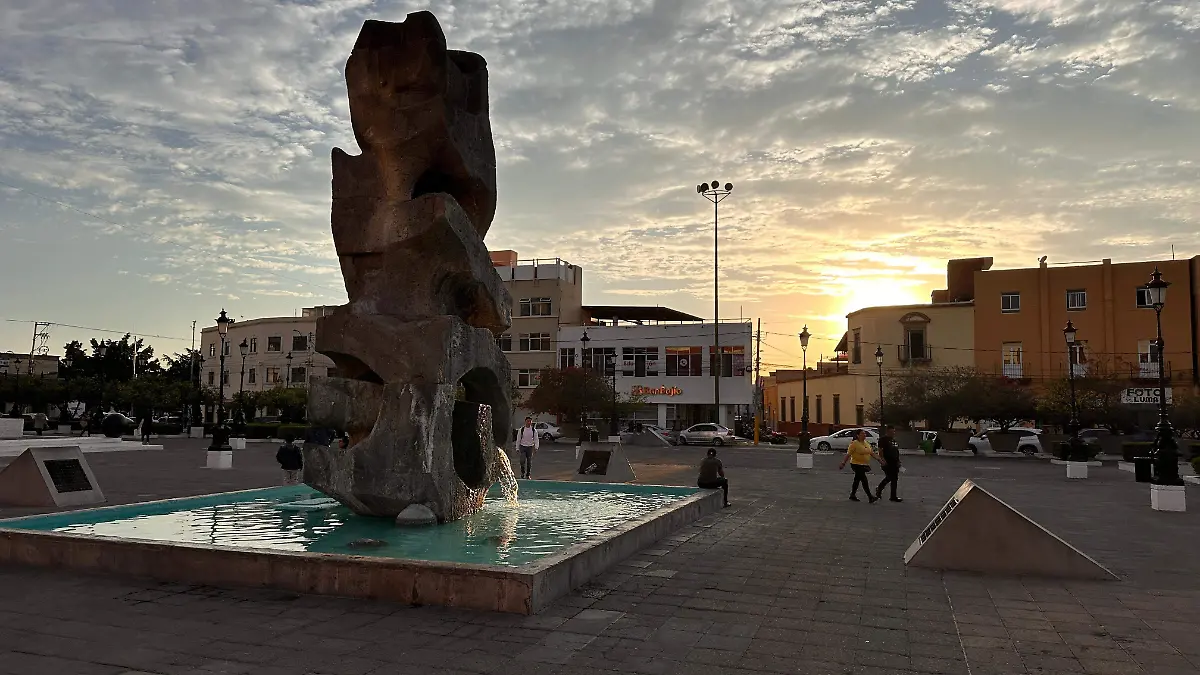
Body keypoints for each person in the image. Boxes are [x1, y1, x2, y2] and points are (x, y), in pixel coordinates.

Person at [838, 429, 881, 503]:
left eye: (865, 434)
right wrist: (843, 463)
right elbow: (848, 454)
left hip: (864, 465)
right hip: (856, 464)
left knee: (857, 480)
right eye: (862, 434)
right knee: (864, 480)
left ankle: (852, 495)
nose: (864, 435)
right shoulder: (854, 443)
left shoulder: (866, 443)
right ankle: (870, 497)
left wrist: (879, 460)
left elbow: (871, 453)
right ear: (858, 435)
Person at [875, 426, 903, 502]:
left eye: (894, 431)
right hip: (887, 462)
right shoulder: (882, 439)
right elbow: (880, 450)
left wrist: (898, 461)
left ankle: (893, 496)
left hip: (895, 462)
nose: (893, 433)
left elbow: (896, 451)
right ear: (887, 431)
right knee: (890, 477)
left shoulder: (893, 440)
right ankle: (879, 488)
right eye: (891, 432)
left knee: (894, 479)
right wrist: (882, 460)